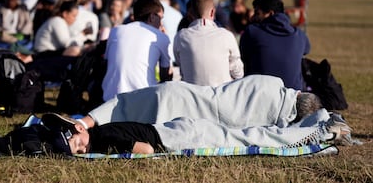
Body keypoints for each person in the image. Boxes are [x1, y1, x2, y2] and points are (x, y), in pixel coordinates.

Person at [41, 95, 353, 155]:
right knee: (244, 134)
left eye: (78, 145)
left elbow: (146, 150)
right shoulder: (102, 131)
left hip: (177, 136)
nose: (82, 151)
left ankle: (321, 130)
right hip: (177, 127)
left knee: (247, 138)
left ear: (82, 130)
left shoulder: (104, 136)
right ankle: (320, 123)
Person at [78, 75, 320, 132]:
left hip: (185, 95)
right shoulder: (275, 126)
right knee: (129, 120)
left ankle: (84, 123)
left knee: (125, 105)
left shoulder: (273, 82)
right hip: (191, 111)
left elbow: (238, 85)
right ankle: (88, 126)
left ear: (298, 93)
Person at [101, 0, 171, 102]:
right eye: (160, 18)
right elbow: (165, 76)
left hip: (109, 98)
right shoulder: (160, 37)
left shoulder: (115, 31)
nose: (161, 24)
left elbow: (106, 62)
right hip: (143, 100)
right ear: (152, 17)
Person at [239, 0, 310, 91]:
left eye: (257, 13)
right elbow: (306, 50)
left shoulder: (252, 32)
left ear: (270, 14)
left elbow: (243, 58)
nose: (252, 18)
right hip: (293, 95)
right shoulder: (300, 35)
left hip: (259, 94)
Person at [173, 0, 244, 87]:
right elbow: (238, 72)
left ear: (190, 13)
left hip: (191, 95)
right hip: (221, 95)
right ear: (212, 12)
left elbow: (180, 63)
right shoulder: (226, 35)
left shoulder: (181, 36)